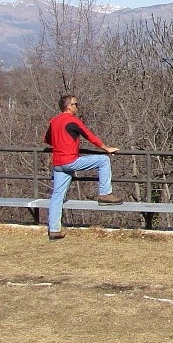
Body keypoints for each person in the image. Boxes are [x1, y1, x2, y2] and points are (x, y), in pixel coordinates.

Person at [43, 94, 124, 240]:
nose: (77, 106)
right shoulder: (72, 120)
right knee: (104, 161)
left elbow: (47, 139)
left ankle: (54, 230)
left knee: (57, 197)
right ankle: (105, 194)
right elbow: (89, 135)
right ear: (69, 106)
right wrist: (107, 148)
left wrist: (60, 145)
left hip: (58, 164)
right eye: (76, 104)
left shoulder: (54, 121)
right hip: (70, 161)